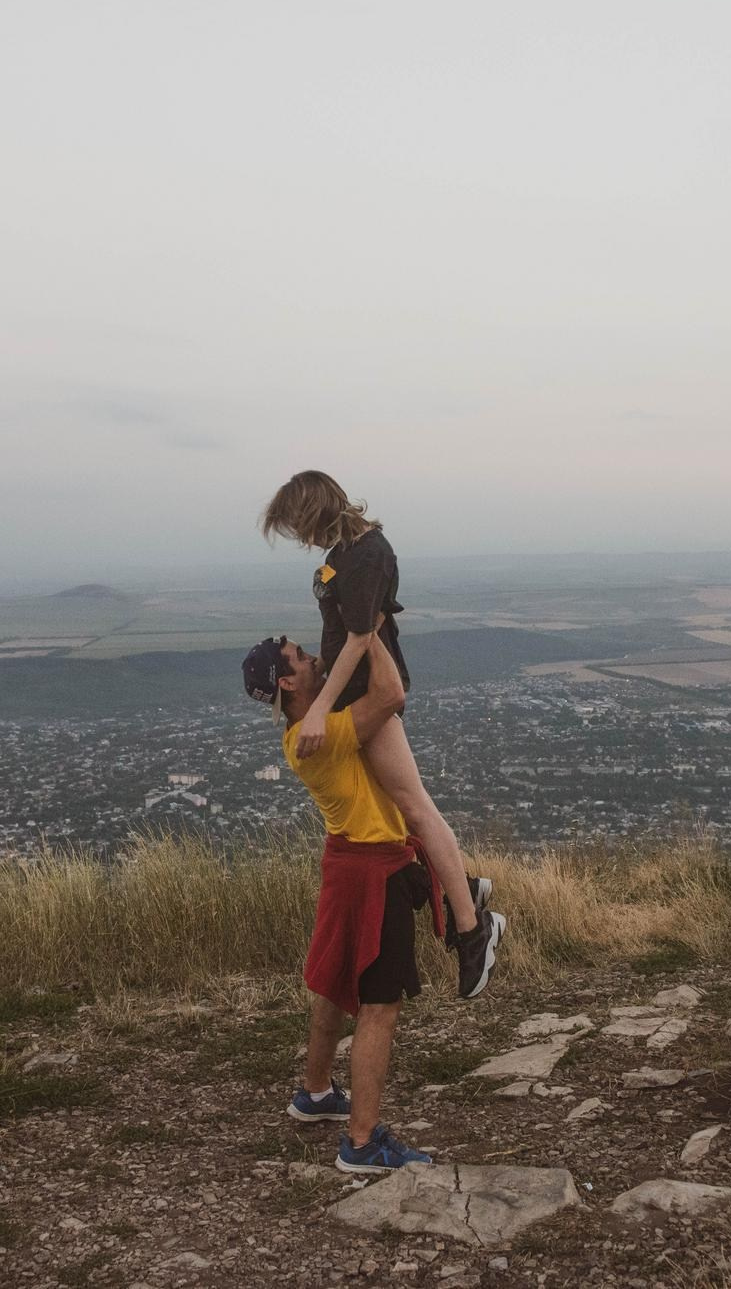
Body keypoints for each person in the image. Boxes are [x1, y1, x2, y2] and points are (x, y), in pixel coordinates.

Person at [242, 630, 506, 1173]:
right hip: (369, 874)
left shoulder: (303, 733)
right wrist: (371, 626)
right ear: (287, 682)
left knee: (335, 985)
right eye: (299, 656)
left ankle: (315, 1095)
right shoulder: (320, 736)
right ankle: (362, 1144)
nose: (312, 655)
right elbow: (388, 696)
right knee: (380, 1007)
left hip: (349, 862)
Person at [259, 470, 504, 997]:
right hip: (352, 694)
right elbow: (341, 636)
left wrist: (321, 706)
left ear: (313, 509)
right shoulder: (345, 555)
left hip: (365, 695)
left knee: (414, 808)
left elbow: (361, 637)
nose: (298, 537)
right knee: (401, 807)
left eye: (296, 523)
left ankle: (473, 928)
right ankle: (466, 888)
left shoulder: (367, 552)